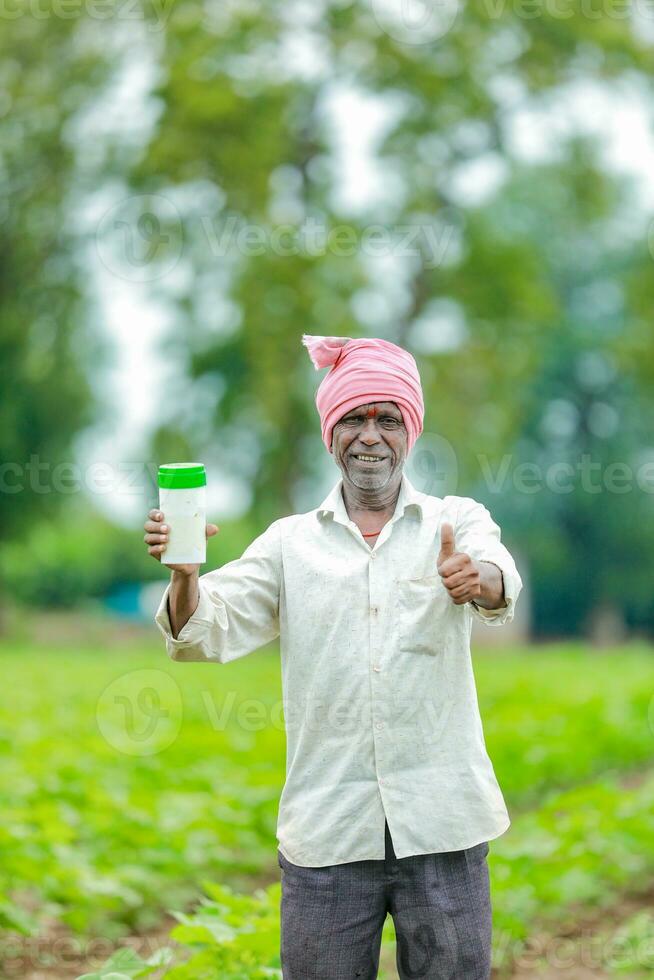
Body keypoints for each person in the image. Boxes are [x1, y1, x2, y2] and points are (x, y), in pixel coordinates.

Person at [143, 333, 523, 980]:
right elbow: (203, 632)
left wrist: (475, 578)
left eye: (387, 418)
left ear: (410, 433)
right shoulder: (290, 545)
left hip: (444, 827)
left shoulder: (452, 520)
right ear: (330, 434)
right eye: (353, 418)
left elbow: (496, 574)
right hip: (328, 834)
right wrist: (184, 575)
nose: (370, 434)